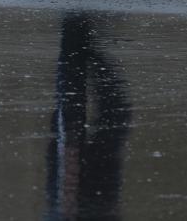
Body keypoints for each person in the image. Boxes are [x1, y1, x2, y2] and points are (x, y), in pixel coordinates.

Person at [43, 12, 131, 220]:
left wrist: (67, 191)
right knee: (115, 115)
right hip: (97, 203)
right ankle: (81, 41)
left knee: (73, 113)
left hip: (77, 204)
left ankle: (77, 38)